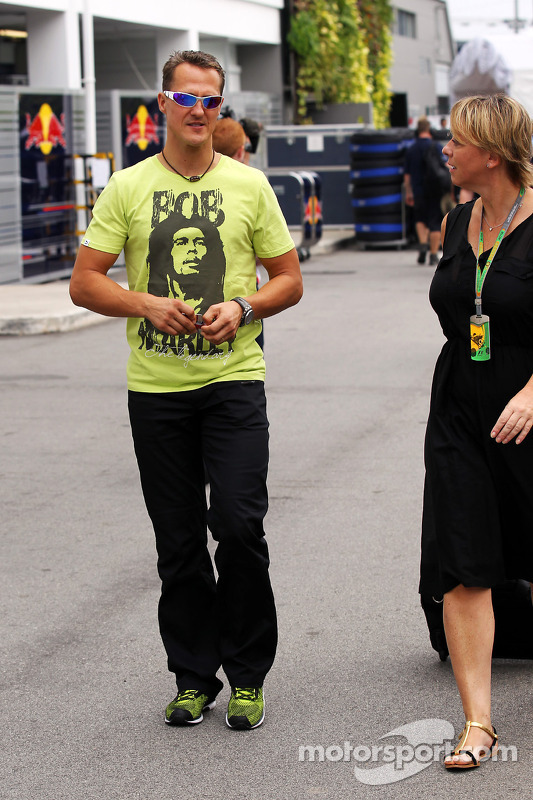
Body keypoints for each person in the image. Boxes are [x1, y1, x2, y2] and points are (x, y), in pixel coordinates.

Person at [69, 49, 303, 731]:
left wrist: (246, 308)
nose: (200, 110)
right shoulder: (128, 187)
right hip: (157, 390)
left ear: (220, 108)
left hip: (233, 380)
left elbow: (287, 279)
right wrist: (142, 303)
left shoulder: (248, 186)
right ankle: (194, 678)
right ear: (163, 105)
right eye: (187, 97)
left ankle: (249, 675)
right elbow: (86, 282)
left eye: (211, 99)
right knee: (177, 543)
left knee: (236, 525)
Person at [419, 94, 533, 769]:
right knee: (464, 564)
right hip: (459, 410)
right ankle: (477, 723)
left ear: (489, 152)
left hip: (526, 413)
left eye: (455, 141)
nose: (445, 150)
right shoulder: (458, 217)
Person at [404, 117, 446, 266]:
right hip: (435, 189)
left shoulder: (411, 149)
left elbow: (407, 175)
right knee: (435, 220)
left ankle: (422, 244)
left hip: (418, 189)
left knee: (420, 218)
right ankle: (433, 254)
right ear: (429, 130)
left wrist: (409, 192)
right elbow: (444, 166)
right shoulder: (436, 146)